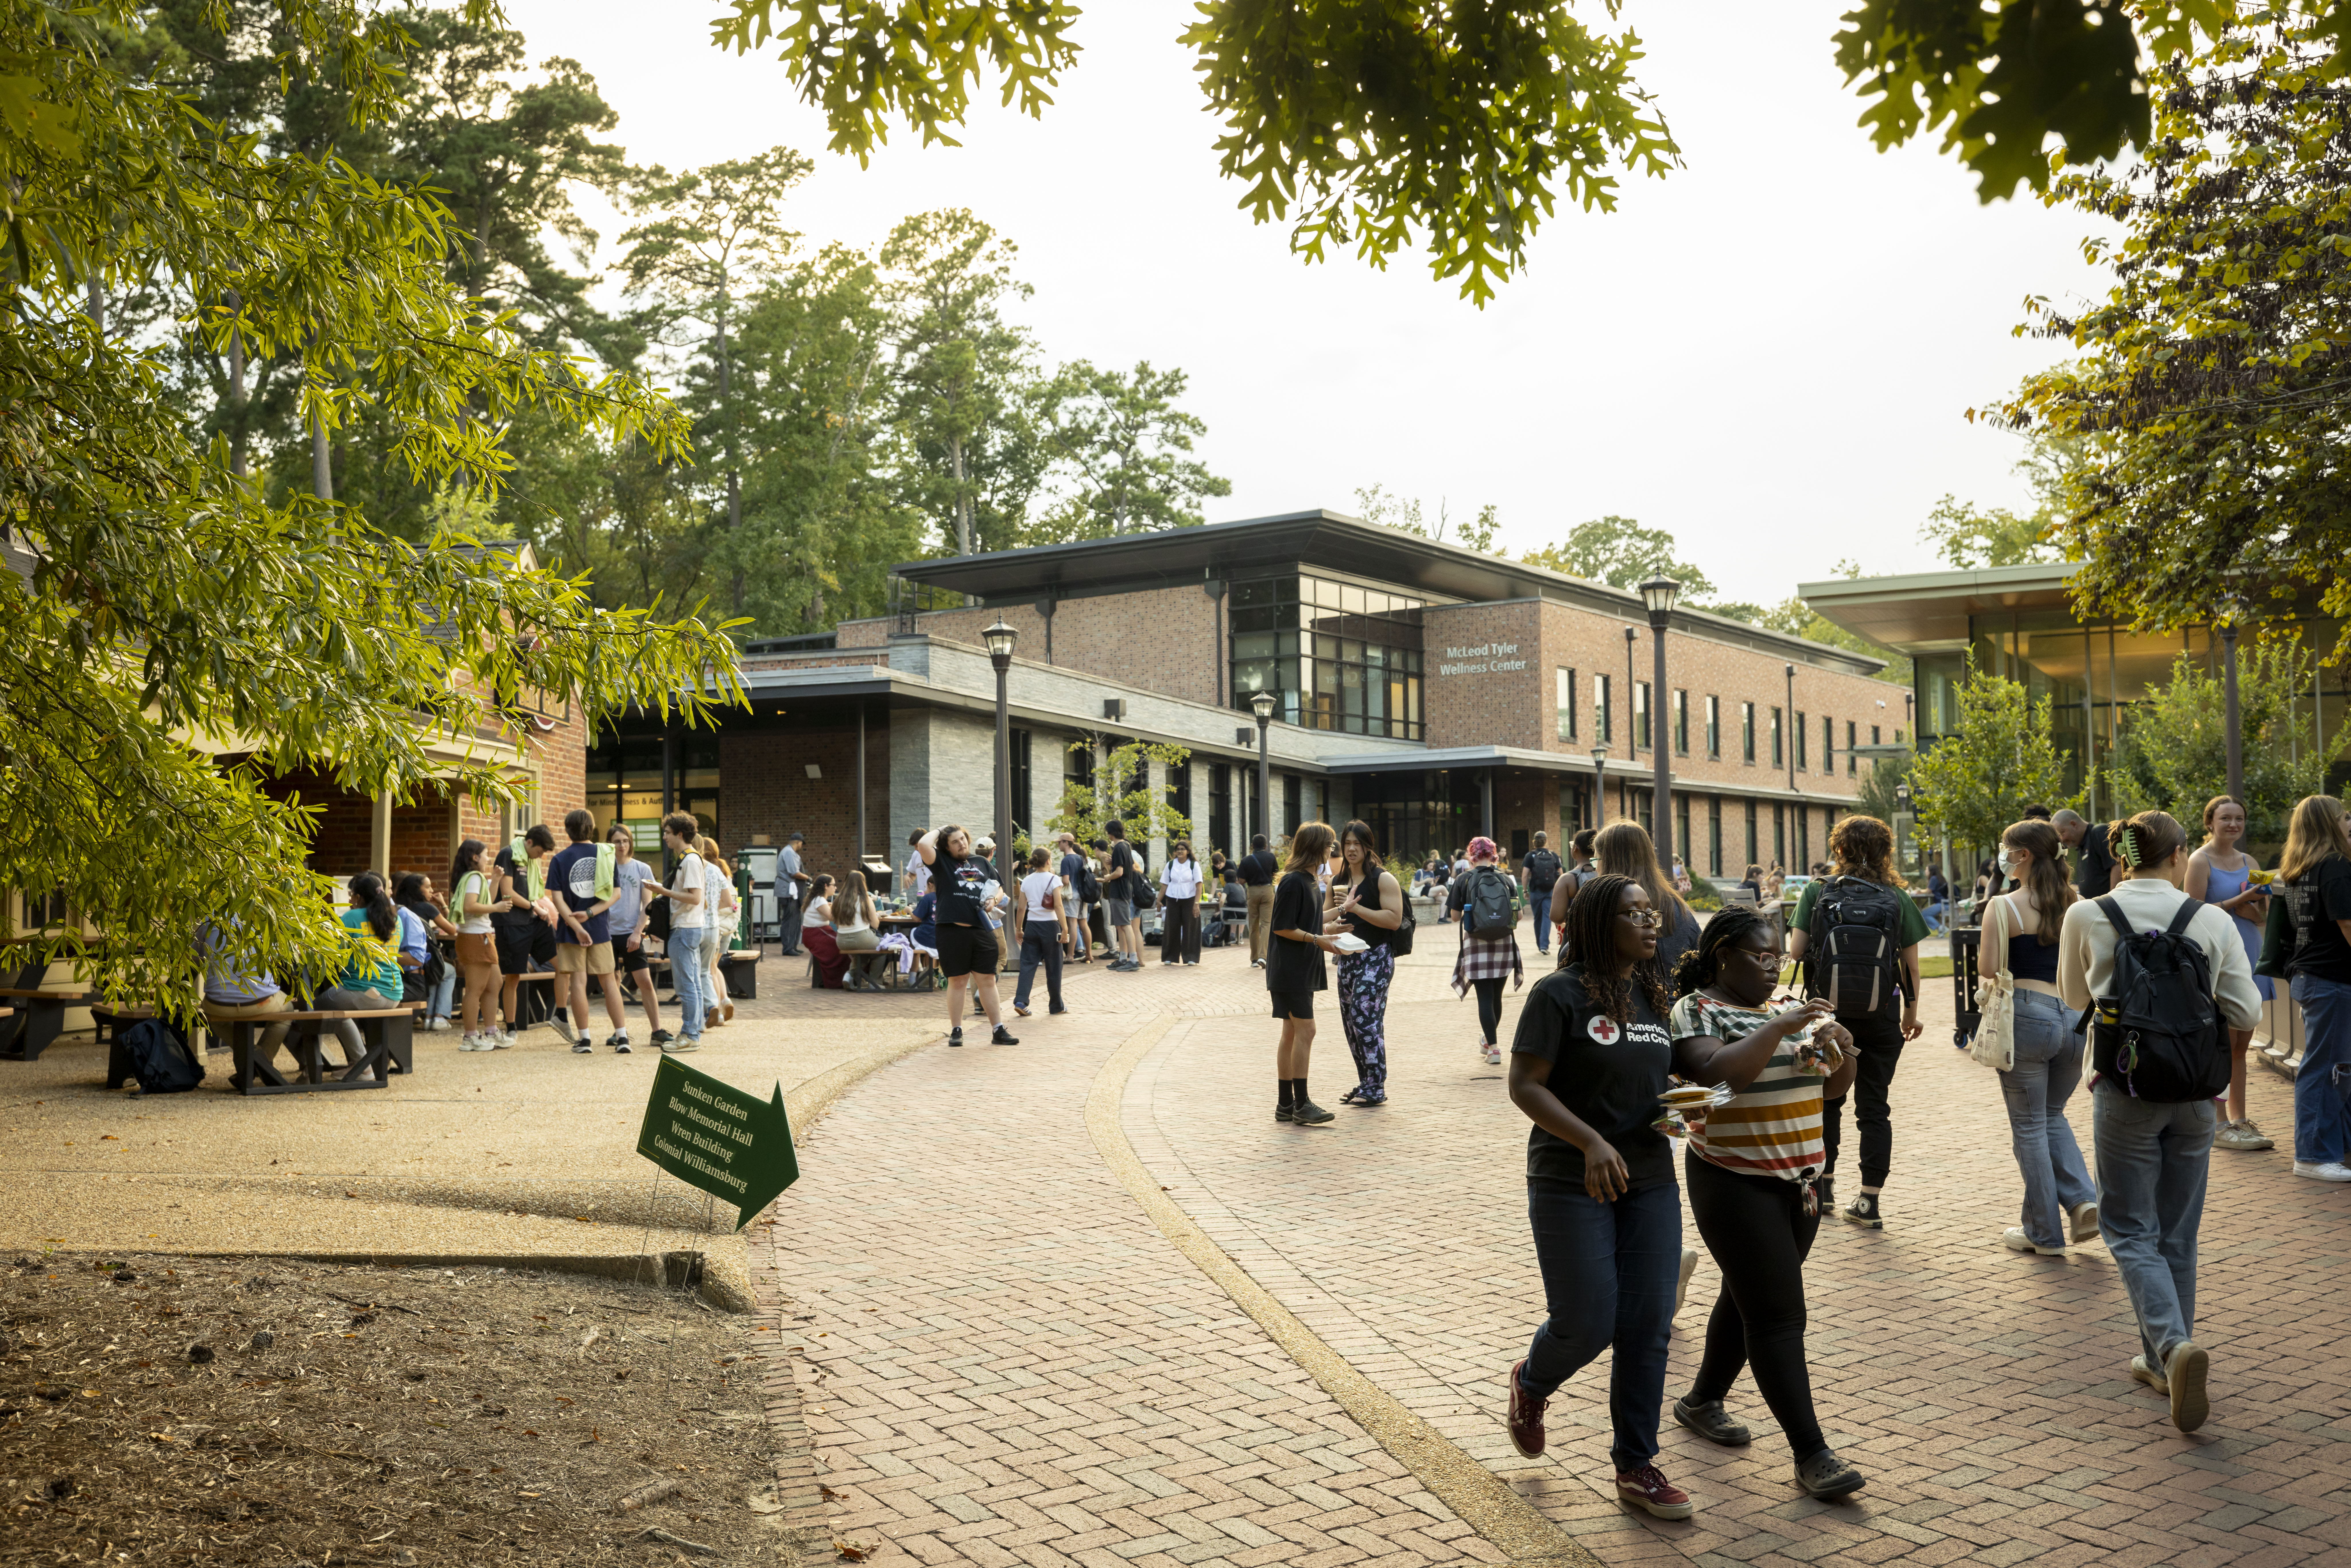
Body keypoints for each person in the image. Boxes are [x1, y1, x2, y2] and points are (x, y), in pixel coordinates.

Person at [2059, 810, 2263, 1432]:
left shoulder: (2086, 914)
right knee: (2178, 1231)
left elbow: (2073, 999)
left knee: (2126, 1226)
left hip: (2124, 1088)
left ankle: (2171, 1349)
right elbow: (2245, 1006)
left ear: (2121, 858)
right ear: (2178, 856)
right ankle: (2163, 1355)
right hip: (2196, 1095)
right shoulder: (2207, 918)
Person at [1501, 872, 1691, 1521]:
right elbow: (1525, 1084)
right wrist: (1589, 1141)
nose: (1651, 923)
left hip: (1648, 1177)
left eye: (1652, 912)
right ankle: (1532, 1382)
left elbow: (1648, 1079)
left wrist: (1683, 1112)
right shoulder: (1557, 994)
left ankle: (1635, 1463)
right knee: (1588, 1319)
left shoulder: (1649, 991)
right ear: (1597, 924)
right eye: (1634, 913)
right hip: (1569, 1176)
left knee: (1646, 1325)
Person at [1666, 906, 1866, 1499]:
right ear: (1722, 953)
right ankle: (1813, 1453)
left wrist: (1843, 1046)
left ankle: (1702, 1399)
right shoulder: (1697, 1010)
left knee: (1749, 1292)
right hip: (1734, 1179)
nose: (1772, 965)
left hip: (1802, 1182)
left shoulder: (1784, 1007)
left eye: (1777, 955)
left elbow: (1830, 1087)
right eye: (1759, 955)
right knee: (1778, 1314)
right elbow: (1717, 1083)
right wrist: (1779, 1030)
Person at [1789, 815, 1927, 1229]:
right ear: (1886, 852)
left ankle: (1825, 1186)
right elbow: (1912, 968)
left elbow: (1796, 953)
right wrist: (1910, 1016)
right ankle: (1869, 1202)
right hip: (1882, 1017)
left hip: (1827, 1017)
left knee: (1827, 1100)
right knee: (1875, 1109)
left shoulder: (1817, 892)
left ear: (1839, 849)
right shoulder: (1897, 898)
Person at [1982, 820, 2099, 1254]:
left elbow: (1989, 968)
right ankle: (2084, 1200)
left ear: (2024, 856)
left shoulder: (2003, 906)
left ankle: (2043, 1233)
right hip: (2075, 1017)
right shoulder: (2079, 904)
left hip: (2028, 1016)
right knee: (2053, 1115)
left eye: (2006, 849)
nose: (2003, 855)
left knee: (2030, 1126)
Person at [2259, 794, 2351, 1181]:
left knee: (2334, 1067)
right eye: (2345, 816)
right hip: (2331, 980)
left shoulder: (2300, 868)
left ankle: (2335, 1147)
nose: (2350, 822)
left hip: (2312, 978)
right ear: (2330, 823)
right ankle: (2313, 1155)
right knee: (2326, 1067)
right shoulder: (2336, 866)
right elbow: (2347, 925)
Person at [2186, 796, 2277, 1152]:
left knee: (2242, 1045)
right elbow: (2190, 912)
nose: (2233, 825)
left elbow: (2258, 917)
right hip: (2218, 957)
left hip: (2249, 952)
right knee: (2222, 1043)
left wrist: (2258, 904)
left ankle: (2238, 1119)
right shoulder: (2198, 860)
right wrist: (2233, 904)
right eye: (2225, 818)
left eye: (2239, 818)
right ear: (2209, 821)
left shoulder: (2249, 861)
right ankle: (2218, 1122)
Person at [1323, 819, 1403, 1106]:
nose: (1352, 849)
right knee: (1350, 1023)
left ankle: (1376, 1086)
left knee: (1363, 1017)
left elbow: (1393, 920)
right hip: (1347, 958)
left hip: (1377, 957)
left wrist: (1357, 908)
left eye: (1357, 843)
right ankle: (1366, 1082)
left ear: (1368, 846)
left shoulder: (1382, 879)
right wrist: (1334, 925)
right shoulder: (1337, 881)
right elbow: (1326, 921)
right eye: (1347, 844)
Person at [919, 824, 1019, 1047]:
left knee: (988, 980)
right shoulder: (940, 862)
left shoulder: (981, 862)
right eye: (955, 841)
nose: (962, 843)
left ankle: (998, 1030)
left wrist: (994, 899)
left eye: (963, 838)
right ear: (946, 846)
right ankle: (956, 1031)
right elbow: (924, 844)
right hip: (951, 930)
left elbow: (999, 887)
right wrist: (943, 828)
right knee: (958, 981)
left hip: (981, 929)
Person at [1269, 822, 1343, 1125]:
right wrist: (1317, 939)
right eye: (1330, 845)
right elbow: (1282, 927)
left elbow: (1309, 921)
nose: (1333, 850)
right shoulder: (1293, 882)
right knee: (1306, 1031)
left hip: (1299, 967)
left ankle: (1286, 1104)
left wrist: (1337, 918)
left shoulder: (1312, 880)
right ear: (1315, 847)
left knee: (1291, 1033)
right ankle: (1301, 1104)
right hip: (1291, 969)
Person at [545, 808, 627, 1055]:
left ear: (567, 830)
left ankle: (585, 1040)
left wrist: (577, 927)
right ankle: (622, 1037)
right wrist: (591, 914)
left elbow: (558, 901)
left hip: (572, 930)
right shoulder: (606, 854)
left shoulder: (559, 860)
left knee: (578, 982)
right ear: (592, 829)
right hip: (600, 927)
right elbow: (616, 894)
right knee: (610, 982)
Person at [1583, 821, 1702, 979]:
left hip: (1619, 1001)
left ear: (1610, 863)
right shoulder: (1679, 908)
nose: (1596, 869)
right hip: (1678, 1001)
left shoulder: (1604, 908)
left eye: (1597, 861)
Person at [316, 872, 406, 1071]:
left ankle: (319, 1069)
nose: (349, 899)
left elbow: (334, 952)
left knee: (316, 1009)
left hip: (363, 991)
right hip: (394, 993)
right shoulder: (395, 919)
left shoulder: (352, 917)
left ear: (358, 897)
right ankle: (361, 1066)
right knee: (339, 1011)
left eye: (352, 894)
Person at [1451, 836, 1525, 1066]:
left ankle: (1494, 1049)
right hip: (1504, 943)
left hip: (1476, 944)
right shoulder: (1506, 879)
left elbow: (1455, 917)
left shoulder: (1464, 879)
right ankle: (1488, 1042)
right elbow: (1519, 916)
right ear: (1494, 854)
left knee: (1484, 997)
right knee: (1497, 997)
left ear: (1471, 854)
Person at [605, 825, 668, 1049]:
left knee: (645, 982)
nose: (621, 846)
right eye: (616, 842)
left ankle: (657, 1031)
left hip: (631, 934)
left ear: (631, 843)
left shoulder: (642, 869)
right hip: (607, 935)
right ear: (609, 844)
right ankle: (619, 1031)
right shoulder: (605, 868)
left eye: (625, 841)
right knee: (612, 984)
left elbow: (647, 905)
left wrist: (637, 933)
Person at [493, 824, 559, 1036]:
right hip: (511, 923)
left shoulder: (530, 860)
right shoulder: (508, 854)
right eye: (540, 852)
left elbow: (530, 894)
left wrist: (540, 910)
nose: (540, 857)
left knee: (563, 965)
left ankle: (561, 1016)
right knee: (513, 978)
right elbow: (507, 893)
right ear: (529, 843)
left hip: (531, 920)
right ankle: (511, 1027)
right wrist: (535, 907)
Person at [196, 920, 293, 1058]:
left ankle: (252, 1060)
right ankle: (262, 1060)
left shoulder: (208, 918)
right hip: (262, 1002)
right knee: (288, 1011)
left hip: (218, 1006)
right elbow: (282, 956)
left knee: (217, 1022)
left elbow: (192, 961)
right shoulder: (264, 915)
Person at [449, 840, 505, 1051]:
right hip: (476, 937)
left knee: (495, 984)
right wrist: (498, 908)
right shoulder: (474, 877)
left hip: (480, 936)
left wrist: (496, 881)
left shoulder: (473, 878)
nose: (488, 858)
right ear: (475, 857)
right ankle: (470, 1037)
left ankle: (491, 1031)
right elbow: (471, 906)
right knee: (475, 990)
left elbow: (485, 903)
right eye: (486, 854)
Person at [659, 812, 708, 1054]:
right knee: (694, 984)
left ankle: (690, 1035)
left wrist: (663, 891)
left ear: (680, 834)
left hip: (685, 928)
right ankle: (693, 1031)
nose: (665, 837)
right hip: (692, 927)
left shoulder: (689, 861)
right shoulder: (691, 858)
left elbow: (695, 897)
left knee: (686, 985)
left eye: (667, 833)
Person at [391, 872, 456, 1030]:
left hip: (402, 964)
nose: (432, 891)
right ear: (417, 890)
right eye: (427, 887)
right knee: (451, 971)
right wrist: (444, 905)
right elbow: (453, 929)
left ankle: (428, 1018)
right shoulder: (427, 908)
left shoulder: (398, 908)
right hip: (420, 963)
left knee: (435, 971)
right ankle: (438, 1017)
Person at [1013, 846, 1068, 1018]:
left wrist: (1019, 930)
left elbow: (1021, 908)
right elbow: (1058, 906)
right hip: (1051, 926)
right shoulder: (1054, 879)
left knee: (1028, 965)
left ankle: (1021, 1001)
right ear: (1048, 861)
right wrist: (1065, 929)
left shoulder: (1027, 881)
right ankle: (1056, 1006)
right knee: (1054, 966)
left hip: (1032, 926)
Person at [699, 836, 739, 1026]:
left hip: (711, 924)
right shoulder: (723, 868)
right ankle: (725, 1001)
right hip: (727, 928)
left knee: (709, 970)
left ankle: (717, 1012)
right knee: (714, 968)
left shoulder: (705, 870)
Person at [831, 869, 885, 991]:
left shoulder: (838, 900)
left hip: (842, 941)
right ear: (862, 883)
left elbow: (837, 924)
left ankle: (849, 976)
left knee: (863, 954)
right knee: (884, 948)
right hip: (862, 938)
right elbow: (875, 925)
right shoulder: (866, 899)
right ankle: (875, 982)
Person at [1102, 819, 1145, 972]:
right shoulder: (1126, 846)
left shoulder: (1120, 847)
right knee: (1121, 925)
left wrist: (1107, 877)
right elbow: (1129, 867)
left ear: (1111, 833)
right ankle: (1123, 958)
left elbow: (1119, 873)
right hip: (1124, 890)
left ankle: (1133, 960)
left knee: (1125, 925)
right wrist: (1113, 861)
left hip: (1120, 891)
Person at [1160, 840, 1205, 965]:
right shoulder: (1170, 865)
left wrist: (1197, 903)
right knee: (1171, 927)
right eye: (1178, 849)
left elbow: (1199, 885)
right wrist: (1159, 900)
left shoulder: (1193, 865)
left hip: (1190, 899)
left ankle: (1191, 957)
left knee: (1191, 928)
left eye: (1182, 849)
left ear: (1188, 852)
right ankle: (1170, 956)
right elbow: (1165, 883)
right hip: (1173, 899)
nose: (1180, 851)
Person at [1239, 834, 1280, 966]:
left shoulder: (1246, 860)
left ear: (1252, 846)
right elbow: (1276, 874)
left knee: (1254, 925)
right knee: (1267, 924)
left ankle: (1254, 959)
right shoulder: (1271, 857)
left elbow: (1241, 880)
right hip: (1268, 891)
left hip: (1253, 891)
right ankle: (1264, 956)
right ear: (1266, 846)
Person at [2055, 808, 2115, 898]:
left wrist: (2113, 900)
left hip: (2108, 907)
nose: (2062, 840)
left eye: (2062, 833)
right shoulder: (2082, 847)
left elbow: (2118, 866)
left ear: (2074, 824)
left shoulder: (2098, 833)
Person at [1522, 831, 1563, 955]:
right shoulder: (1554, 855)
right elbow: (1561, 874)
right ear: (1546, 841)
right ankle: (1545, 945)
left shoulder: (1530, 856)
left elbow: (1525, 876)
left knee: (1538, 918)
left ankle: (1540, 945)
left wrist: (1525, 891)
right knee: (1547, 917)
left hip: (1536, 890)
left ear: (1534, 842)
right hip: (1550, 891)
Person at [1056, 832, 1091, 964]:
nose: (1058, 845)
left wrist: (1056, 882)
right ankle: (1089, 955)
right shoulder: (1081, 858)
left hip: (1072, 896)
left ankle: (1070, 956)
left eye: (1060, 842)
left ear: (1066, 843)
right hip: (1083, 895)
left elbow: (1066, 881)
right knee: (1084, 924)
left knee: (1072, 924)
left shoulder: (1066, 860)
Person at [775, 831, 809, 956]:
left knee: (796, 919)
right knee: (791, 919)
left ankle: (793, 946)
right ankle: (788, 948)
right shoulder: (789, 852)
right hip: (788, 892)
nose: (802, 846)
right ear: (798, 842)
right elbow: (794, 873)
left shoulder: (788, 852)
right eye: (801, 844)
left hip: (790, 890)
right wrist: (807, 878)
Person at [1923, 865, 1951, 933]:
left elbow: (1928, 891)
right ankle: (1941, 929)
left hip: (1942, 904)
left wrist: (1918, 891)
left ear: (1931, 871)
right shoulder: (1940, 878)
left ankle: (1941, 928)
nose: (1925, 871)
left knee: (1923, 914)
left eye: (1927, 870)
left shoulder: (1934, 878)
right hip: (1946, 903)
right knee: (1924, 913)